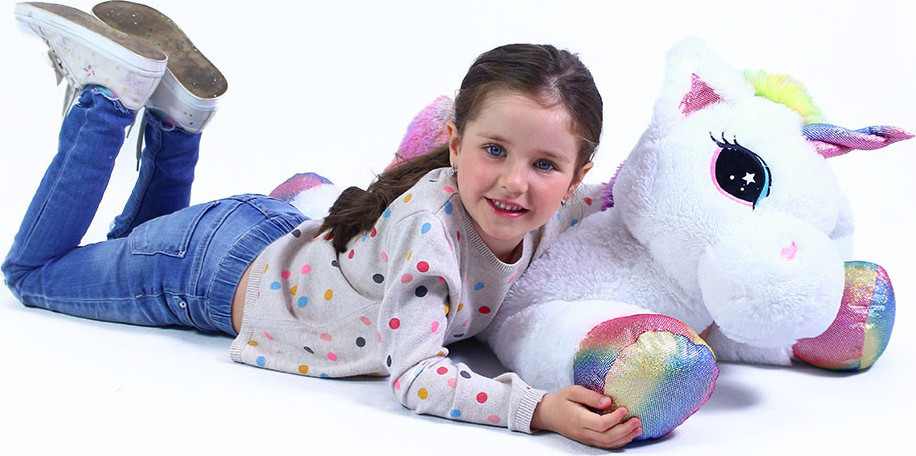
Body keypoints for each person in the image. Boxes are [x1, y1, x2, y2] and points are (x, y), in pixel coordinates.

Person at [3, 1, 643, 449]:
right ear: (455, 143)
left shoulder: (554, 208)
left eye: (544, 164)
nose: (514, 182)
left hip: (264, 235)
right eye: (494, 150)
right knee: (32, 274)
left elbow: (617, 202)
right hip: (203, 275)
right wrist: (538, 410)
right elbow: (417, 378)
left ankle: (176, 118)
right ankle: (107, 100)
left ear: (575, 175)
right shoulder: (431, 236)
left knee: (125, 247)